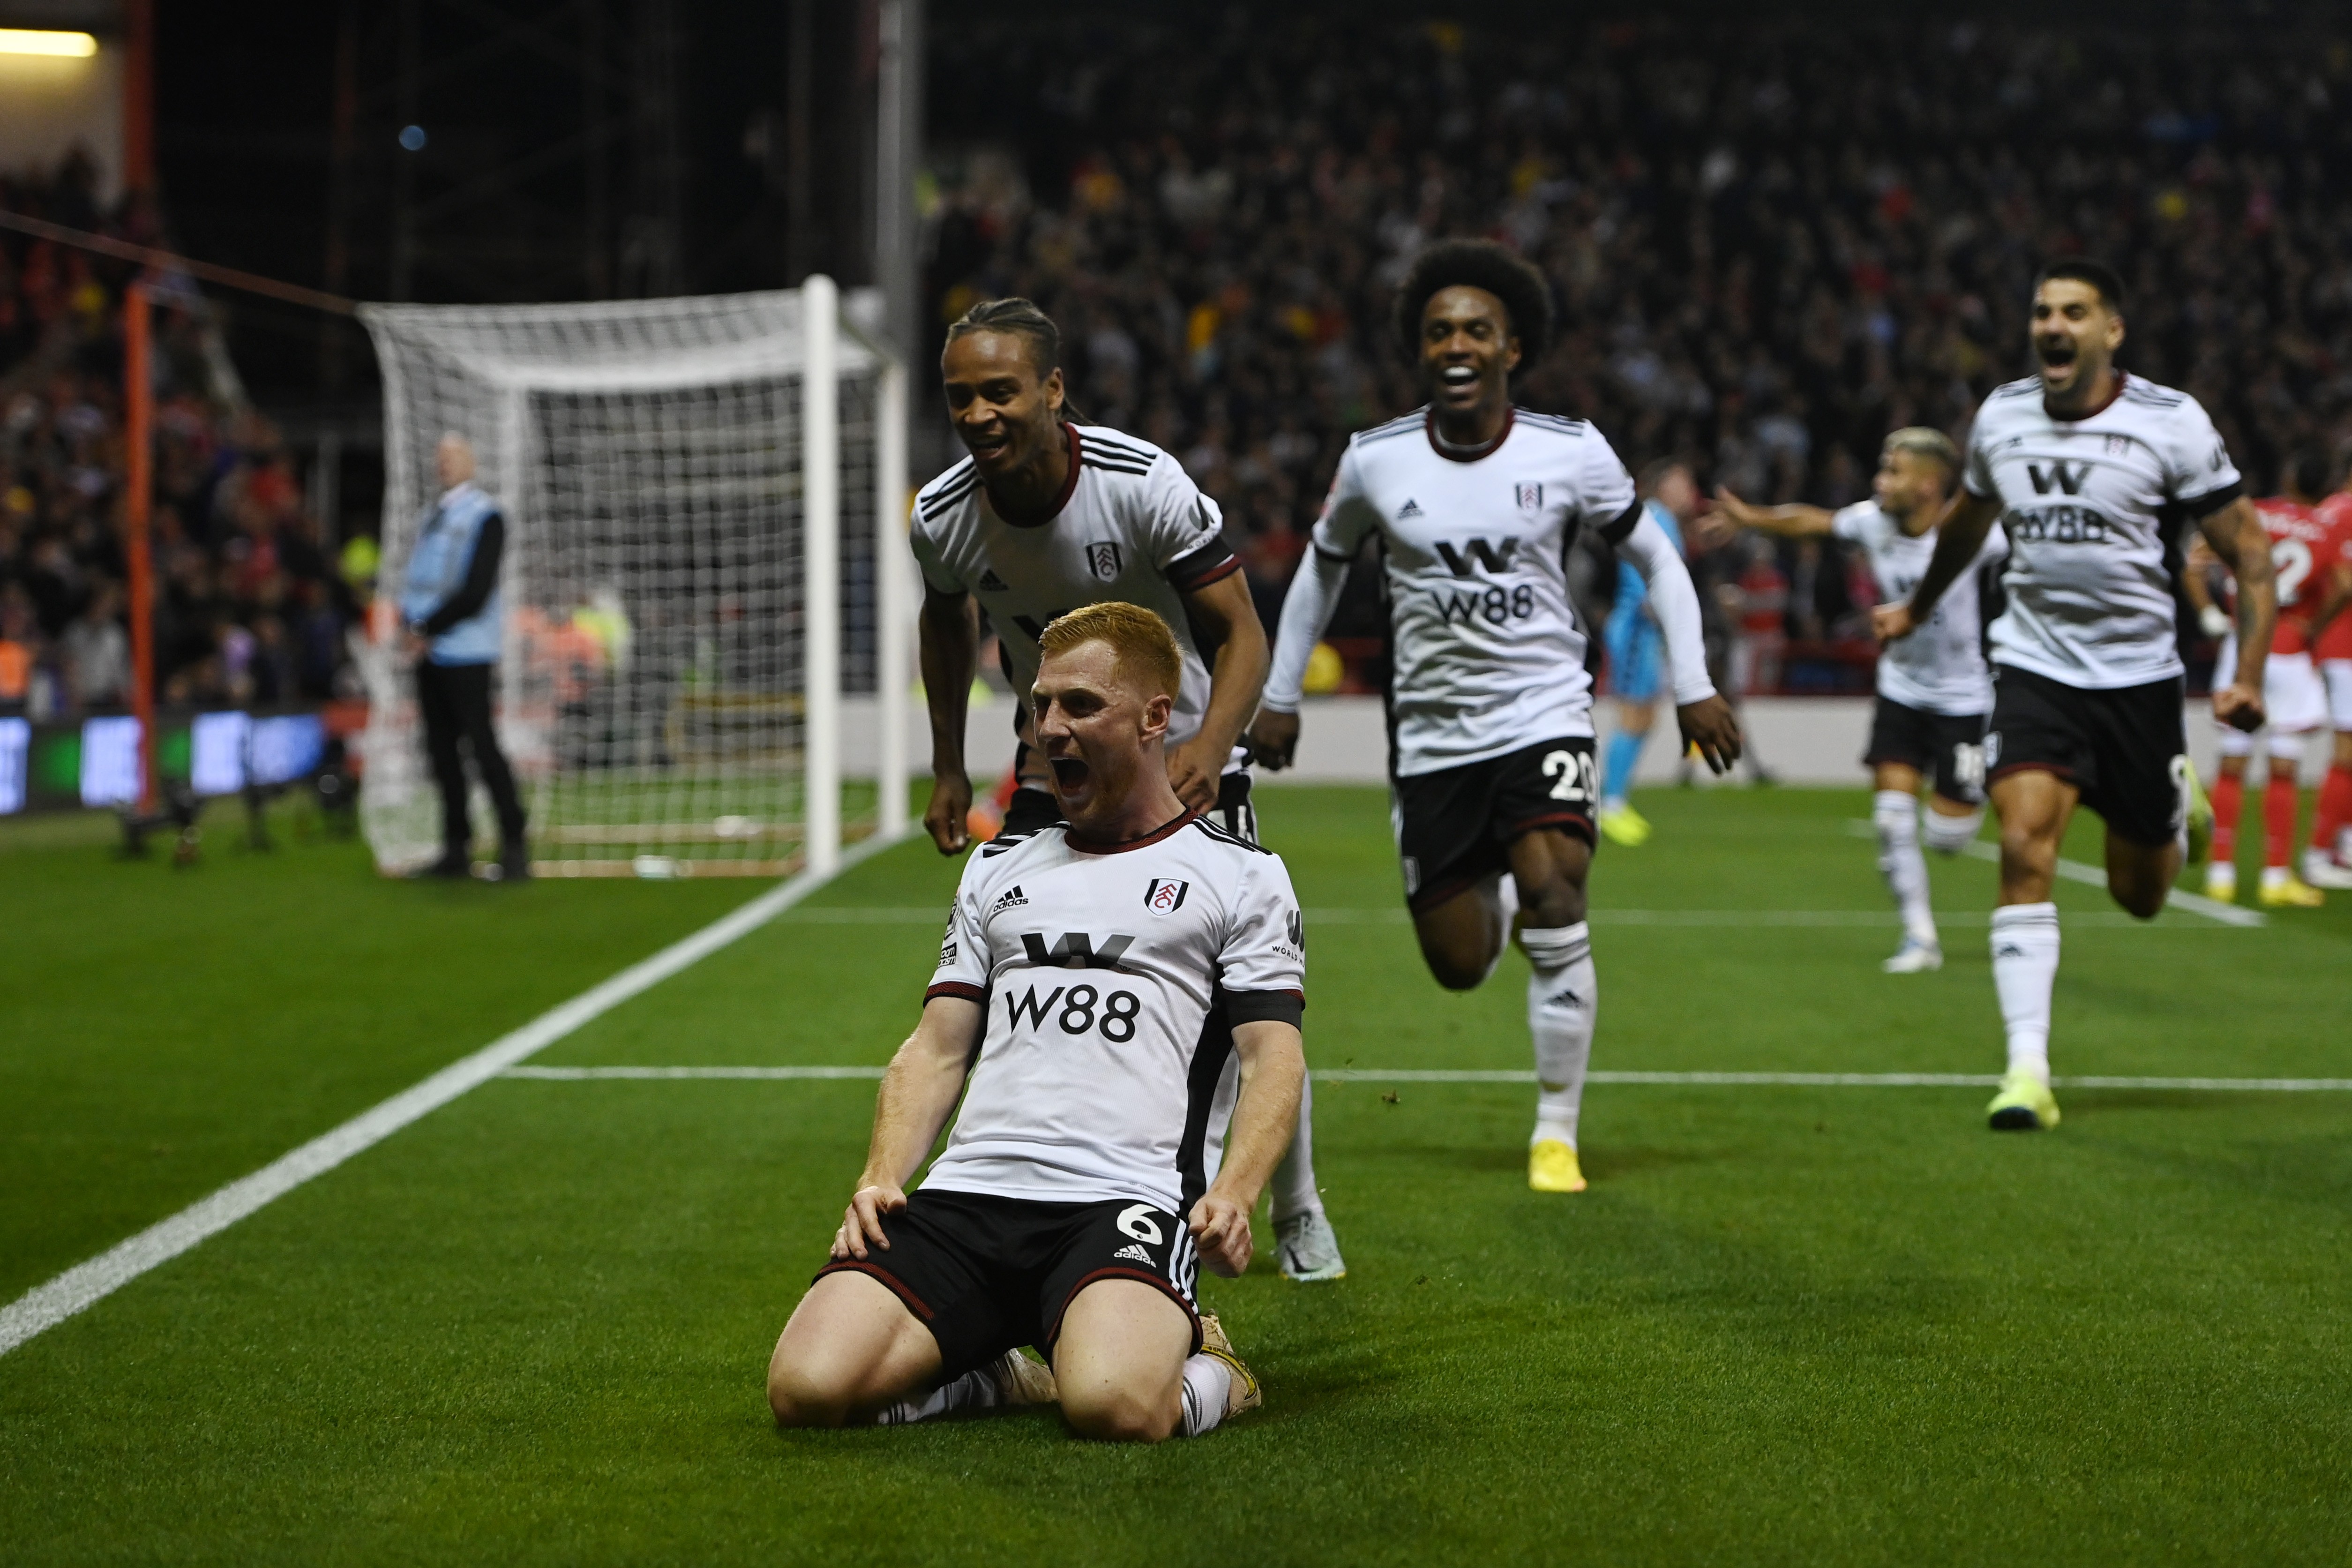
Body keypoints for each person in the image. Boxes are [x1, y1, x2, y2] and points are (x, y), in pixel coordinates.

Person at [1248, 240, 1742, 1195]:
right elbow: (1321, 565)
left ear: (1512, 347)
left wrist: (1694, 681)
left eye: (1477, 328)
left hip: (1543, 711)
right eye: (1440, 331)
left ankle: (1555, 1129)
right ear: (1420, 350)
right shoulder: (1375, 461)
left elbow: (1660, 560)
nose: (1458, 344)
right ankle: (1501, 886)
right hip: (1432, 739)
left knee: (1559, 887)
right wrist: (1279, 692)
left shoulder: (1570, 450)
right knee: (1459, 964)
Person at [767, 603, 1304, 1442]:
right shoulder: (998, 868)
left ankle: (1215, 1373)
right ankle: (1004, 1377)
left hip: (1124, 1200)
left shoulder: (1239, 876)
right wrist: (880, 1175)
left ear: (1155, 716)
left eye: (1081, 705)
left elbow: (1273, 1057)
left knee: (1116, 1406)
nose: (1050, 729)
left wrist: (1235, 1194)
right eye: (1040, 706)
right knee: (807, 1390)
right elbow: (936, 1049)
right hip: (969, 1195)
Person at [909, 297, 1344, 1284]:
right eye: (960, 396)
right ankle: (1025, 1177)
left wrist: (1212, 745)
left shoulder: (1141, 484)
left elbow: (1240, 631)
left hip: (1181, 761)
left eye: (1000, 391)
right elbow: (943, 627)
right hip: (1052, 767)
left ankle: (1298, 1205)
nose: (978, 413)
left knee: (1248, 998)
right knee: (1020, 971)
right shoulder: (942, 517)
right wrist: (945, 760)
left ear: (1052, 392)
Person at [1873, 260, 2276, 1133]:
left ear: (2110, 332)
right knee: (2022, 845)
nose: (2052, 325)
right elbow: (1969, 524)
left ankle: (2172, 812)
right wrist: (1916, 605)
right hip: (2032, 668)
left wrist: (2246, 673)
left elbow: (2249, 553)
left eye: (2074, 312)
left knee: (2139, 894)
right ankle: (2026, 1070)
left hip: (2137, 681)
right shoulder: (2001, 417)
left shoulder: (2169, 424)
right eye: (2041, 311)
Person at [1714, 428, 2008, 972]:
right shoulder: (1873, 522)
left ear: (1927, 485)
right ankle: (1919, 938)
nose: (1879, 482)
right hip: (1900, 690)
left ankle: (1973, 796)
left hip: (1964, 698)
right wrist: (1752, 518)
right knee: (1891, 820)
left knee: (1947, 838)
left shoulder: (1974, 536)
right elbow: (1813, 520)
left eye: (1892, 472)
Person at [2180, 449, 2348, 904]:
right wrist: (2312, 626)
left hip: (2243, 644)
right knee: (2284, 768)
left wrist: (2209, 614)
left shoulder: (2254, 514)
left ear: (2290, 476)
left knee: (2231, 765)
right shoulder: (2324, 527)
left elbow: (2193, 560)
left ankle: (2219, 873)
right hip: (2291, 651)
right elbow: (2344, 585)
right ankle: (2276, 878)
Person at [399, 433, 528, 880]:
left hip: (468, 651)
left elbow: (476, 590)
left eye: (453, 456)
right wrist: (409, 628)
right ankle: (456, 846)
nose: (444, 464)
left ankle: (514, 842)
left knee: (482, 745)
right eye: (439, 457)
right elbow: (417, 580)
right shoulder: (429, 517)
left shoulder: (487, 515)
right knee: (441, 752)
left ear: (473, 461)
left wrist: (423, 628)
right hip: (429, 651)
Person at [1594, 460, 1699, 848]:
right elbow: (1646, 572)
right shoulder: (1654, 516)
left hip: (1645, 628)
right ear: (1662, 486)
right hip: (1638, 625)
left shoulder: (1662, 518)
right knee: (1633, 716)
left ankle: (1615, 799)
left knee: (1646, 718)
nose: (1689, 488)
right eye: (1681, 480)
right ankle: (1610, 803)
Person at [2298, 466, 2352, 884]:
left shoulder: (2328, 512)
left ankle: (2344, 844)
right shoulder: (2343, 512)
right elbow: (2342, 581)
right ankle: (2319, 855)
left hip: (2336, 644)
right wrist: (2315, 629)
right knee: (2347, 752)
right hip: (2344, 646)